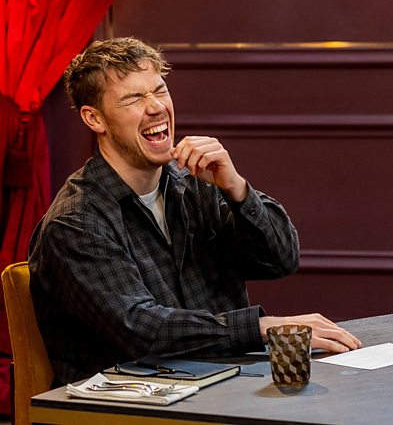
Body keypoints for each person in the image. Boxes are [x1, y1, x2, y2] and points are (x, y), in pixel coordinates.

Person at [28, 37, 361, 385]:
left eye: (160, 91)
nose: (156, 107)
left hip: (219, 383)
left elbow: (281, 260)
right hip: (128, 401)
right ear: (94, 118)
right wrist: (261, 326)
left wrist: (237, 190)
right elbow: (143, 330)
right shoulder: (76, 221)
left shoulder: (195, 182)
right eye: (134, 98)